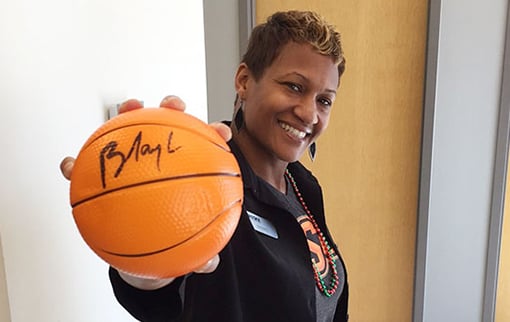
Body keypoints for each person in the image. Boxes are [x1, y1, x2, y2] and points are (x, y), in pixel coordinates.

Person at [61, 10, 348, 322]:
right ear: (244, 81)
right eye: (294, 86)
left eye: (324, 100)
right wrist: (146, 274)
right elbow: (158, 289)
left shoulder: (303, 184)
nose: (309, 113)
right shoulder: (201, 182)